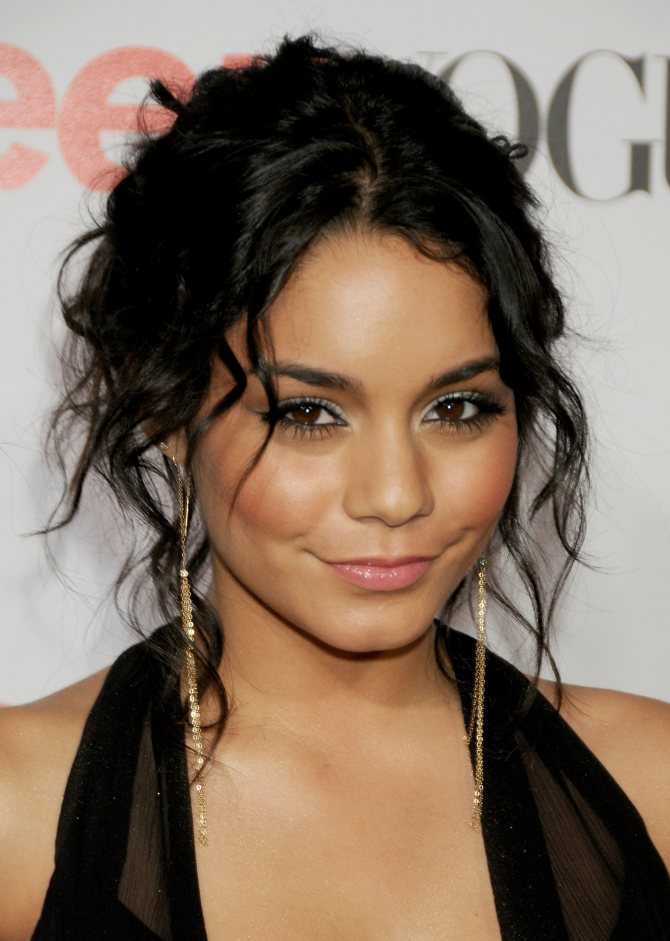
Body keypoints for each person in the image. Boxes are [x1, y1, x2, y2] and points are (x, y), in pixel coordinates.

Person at [0, 31, 668, 941]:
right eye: (309, 413)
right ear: (166, 408)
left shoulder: (651, 785)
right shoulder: (20, 812)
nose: (395, 495)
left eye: (457, 407)